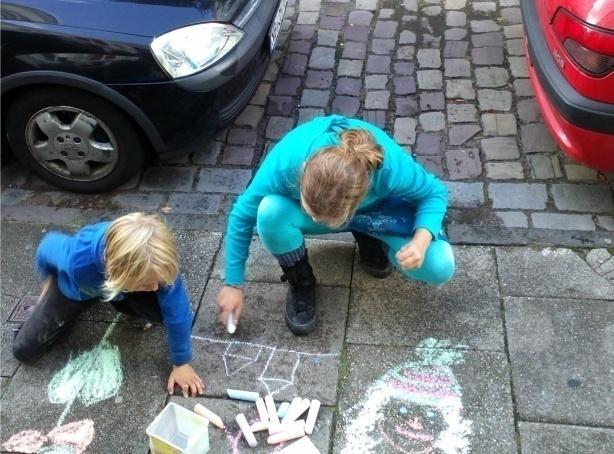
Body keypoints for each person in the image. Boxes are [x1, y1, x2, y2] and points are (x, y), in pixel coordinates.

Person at [217, 115, 455, 335]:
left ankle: (371, 238)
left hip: (377, 211)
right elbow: (241, 215)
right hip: (345, 208)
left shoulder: (389, 166)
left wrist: (420, 243)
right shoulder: (285, 163)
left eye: (327, 219)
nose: (320, 223)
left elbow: (434, 193)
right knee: (269, 212)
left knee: (439, 265)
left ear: (361, 196)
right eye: (314, 212)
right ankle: (301, 281)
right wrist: (233, 282)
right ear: (302, 172)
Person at [12, 212, 204, 397]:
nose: (155, 287)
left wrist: (181, 363)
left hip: (121, 289)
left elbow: (178, 315)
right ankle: (88, 294)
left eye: (158, 282)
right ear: (119, 273)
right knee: (25, 351)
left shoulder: (159, 265)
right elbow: (48, 246)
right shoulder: (79, 258)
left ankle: (124, 300)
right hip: (79, 290)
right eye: (147, 283)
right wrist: (47, 280)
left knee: (174, 315)